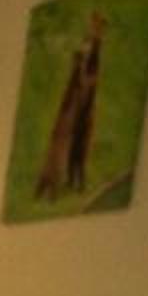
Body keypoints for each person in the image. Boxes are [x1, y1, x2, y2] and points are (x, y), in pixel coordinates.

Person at [35, 11, 106, 202]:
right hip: (75, 110)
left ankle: (75, 180)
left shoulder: (90, 75)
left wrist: (94, 40)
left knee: (80, 147)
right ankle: (62, 180)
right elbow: (83, 73)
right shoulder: (78, 78)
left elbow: (92, 68)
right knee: (70, 144)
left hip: (83, 110)